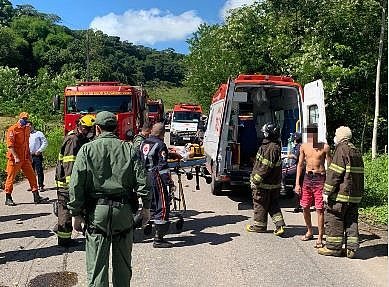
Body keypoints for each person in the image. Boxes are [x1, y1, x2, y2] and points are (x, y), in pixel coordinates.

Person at [67, 111, 151, 286]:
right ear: (116, 128)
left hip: (97, 213)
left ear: (97, 128)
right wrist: (146, 208)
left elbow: (76, 184)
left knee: (97, 268)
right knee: (123, 267)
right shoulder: (129, 148)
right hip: (123, 212)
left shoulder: (87, 150)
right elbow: (142, 180)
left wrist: (75, 213)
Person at [318, 126, 364, 258]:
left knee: (334, 217)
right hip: (354, 196)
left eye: (336, 135)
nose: (335, 138)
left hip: (341, 195)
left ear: (340, 137)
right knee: (351, 220)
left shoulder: (341, 150)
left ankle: (333, 248)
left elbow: (335, 173)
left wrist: (326, 191)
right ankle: (351, 249)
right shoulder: (356, 151)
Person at [54, 114, 96, 247]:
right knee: (66, 211)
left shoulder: (81, 139)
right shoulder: (73, 140)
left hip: (72, 184)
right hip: (67, 185)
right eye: (85, 128)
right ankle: (64, 240)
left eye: (89, 129)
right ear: (79, 126)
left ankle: (63, 231)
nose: (87, 131)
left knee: (70, 209)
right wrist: (72, 185)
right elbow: (69, 165)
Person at [246, 122, 286, 236]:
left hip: (264, 184)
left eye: (265, 132)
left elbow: (264, 167)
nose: (263, 134)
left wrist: (255, 180)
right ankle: (280, 225)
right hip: (274, 183)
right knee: (273, 204)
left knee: (260, 204)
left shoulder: (270, 148)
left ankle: (259, 226)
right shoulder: (275, 146)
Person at [295, 124, 331, 248]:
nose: (311, 136)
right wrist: (297, 184)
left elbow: (330, 167)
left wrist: (329, 184)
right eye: (309, 134)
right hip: (307, 178)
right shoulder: (303, 146)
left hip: (320, 178)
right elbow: (300, 164)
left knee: (319, 209)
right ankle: (310, 230)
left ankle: (320, 237)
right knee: (304, 206)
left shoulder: (325, 147)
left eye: (313, 134)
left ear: (316, 134)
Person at [140, 122, 174, 248]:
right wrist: (168, 181)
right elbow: (163, 165)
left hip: (144, 176)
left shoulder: (144, 143)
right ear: (162, 133)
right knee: (163, 205)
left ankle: (147, 225)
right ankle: (159, 239)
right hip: (156, 176)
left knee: (151, 203)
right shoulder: (160, 145)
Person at [4, 112, 48, 206]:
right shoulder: (12, 129)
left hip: (24, 158)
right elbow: (10, 146)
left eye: (26, 118)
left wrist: (29, 156)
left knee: (32, 176)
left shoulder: (27, 129)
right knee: (11, 178)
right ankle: (8, 197)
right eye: (23, 118)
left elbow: (26, 144)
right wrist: (16, 157)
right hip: (14, 159)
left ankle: (36, 196)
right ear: (19, 119)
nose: (25, 120)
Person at [281, 132, 303, 212]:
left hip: (297, 167)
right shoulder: (299, 146)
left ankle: (282, 187)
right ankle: (298, 206)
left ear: (295, 140)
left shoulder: (299, 146)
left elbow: (295, 156)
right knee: (296, 188)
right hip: (299, 168)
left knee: (282, 171)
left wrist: (285, 156)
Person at [29, 123, 48, 192]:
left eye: (30, 126)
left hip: (37, 155)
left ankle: (41, 185)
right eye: (27, 126)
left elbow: (45, 142)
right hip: (29, 156)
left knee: (39, 171)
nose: (29, 128)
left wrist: (40, 150)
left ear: (32, 126)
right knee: (31, 172)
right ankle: (33, 186)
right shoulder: (25, 134)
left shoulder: (38, 133)